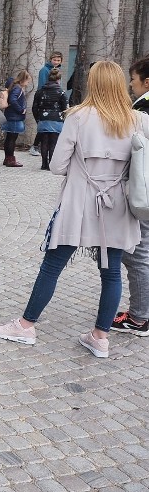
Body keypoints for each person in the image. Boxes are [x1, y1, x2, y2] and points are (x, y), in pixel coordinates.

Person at [0, 60, 149, 358]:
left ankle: (26, 325)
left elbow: (58, 165)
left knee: (52, 265)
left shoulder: (78, 116)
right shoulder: (139, 120)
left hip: (79, 203)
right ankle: (100, 337)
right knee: (111, 271)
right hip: (117, 206)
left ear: (92, 84)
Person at [114, 55, 149, 336]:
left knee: (138, 254)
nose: (130, 85)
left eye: (133, 80)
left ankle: (139, 318)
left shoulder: (144, 110)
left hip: (144, 192)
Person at [31, 69, 68, 171]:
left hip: (43, 119)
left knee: (44, 143)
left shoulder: (40, 91)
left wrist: (38, 119)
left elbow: (34, 107)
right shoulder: (61, 92)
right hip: (56, 120)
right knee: (53, 143)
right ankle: (51, 163)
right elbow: (65, 108)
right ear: (58, 79)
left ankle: (44, 164)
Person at [30, 51, 63, 156]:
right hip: (46, 101)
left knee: (47, 127)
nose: (56, 62)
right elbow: (42, 86)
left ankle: (38, 146)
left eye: (58, 60)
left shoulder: (58, 69)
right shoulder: (45, 70)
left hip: (54, 100)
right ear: (50, 59)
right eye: (54, 60)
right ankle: (35, 146)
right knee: (44, 126)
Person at [2, 70, 32, 168]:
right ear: (23, 79)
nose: (28, 83)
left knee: (9, 138)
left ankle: (7, 158)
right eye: (27, 81)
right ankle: (10, 159)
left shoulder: (13, 86)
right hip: (15, 116)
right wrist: (21, 110)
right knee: (12, 138)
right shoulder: (17, 88)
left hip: (9, 115)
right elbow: (13, 100)